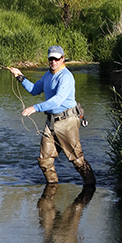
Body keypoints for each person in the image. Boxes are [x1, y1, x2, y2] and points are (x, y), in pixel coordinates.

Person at [9, 47, 96, 186]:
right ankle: (52, 188)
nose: (53, 61)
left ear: (63, 59)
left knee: (77, 160)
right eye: (51, 59)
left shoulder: (66, 76)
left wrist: (35, 108)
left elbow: (58, 100)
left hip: (67, 122)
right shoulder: (48, 75)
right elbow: (34, 90)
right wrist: (21, 77)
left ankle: (91, 186)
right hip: (51, 122)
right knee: (45, 160)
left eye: (57, 58)